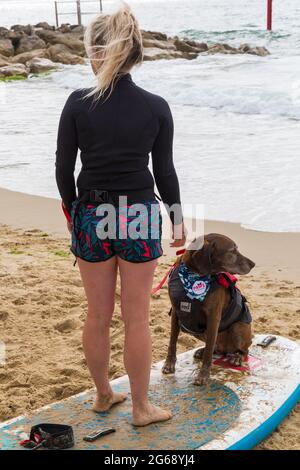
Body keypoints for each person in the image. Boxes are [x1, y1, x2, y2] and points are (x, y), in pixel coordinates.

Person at [55, 1, 185, 426]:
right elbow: (163, 171)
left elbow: (63, 168)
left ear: (99, 52)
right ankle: (142, 409)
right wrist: (177, 220)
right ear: (134, 54)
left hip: (92, 211)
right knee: (136, 317)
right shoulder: (156, 106)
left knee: (97, 313)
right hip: (140, 216)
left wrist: (74, 214)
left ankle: (102, 394)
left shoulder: (77, 103)